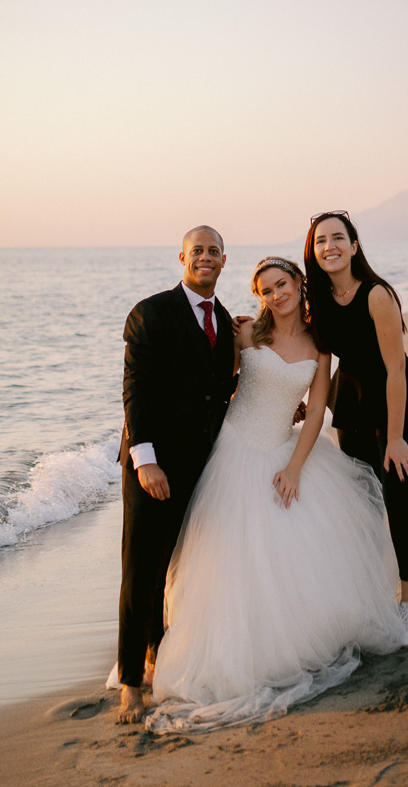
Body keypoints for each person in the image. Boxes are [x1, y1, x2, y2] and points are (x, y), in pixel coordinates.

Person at [145, 257, 404, 735]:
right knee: (226, 555)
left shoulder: (321, 346)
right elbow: (212, 385)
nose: (275, 295)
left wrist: (294, 468)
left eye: (282, 285)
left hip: (284, 455)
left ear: (299, 285)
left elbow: (315, 414)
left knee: (286, 552)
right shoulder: (247, 336)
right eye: (265, 289)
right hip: (233, 451)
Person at [111, 225, 235, 723]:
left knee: (175, 567)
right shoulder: (151, 312)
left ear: (225, 261)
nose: (205, 258)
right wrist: (145, 461)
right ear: (182, 257)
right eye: (197, 251)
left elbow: (218, 392)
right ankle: (129, 684)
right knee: (140, 569)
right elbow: (134, 389)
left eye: (214, 252)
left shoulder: (224, 321)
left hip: (200, 465)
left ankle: (157, 654)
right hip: (153, 464)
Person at [304, 211, 408, 647]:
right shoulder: (318, 300)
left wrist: (395, 438)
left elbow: (395, 368)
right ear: (314, 251)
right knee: (362, 499)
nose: (330, 246)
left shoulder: (377, 295)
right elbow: (306, 352)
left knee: (399, 491)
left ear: (354, 246)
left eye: (338, 238)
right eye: (321, 241)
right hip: (353, 405)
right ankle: (370, 597)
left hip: (397, 401)